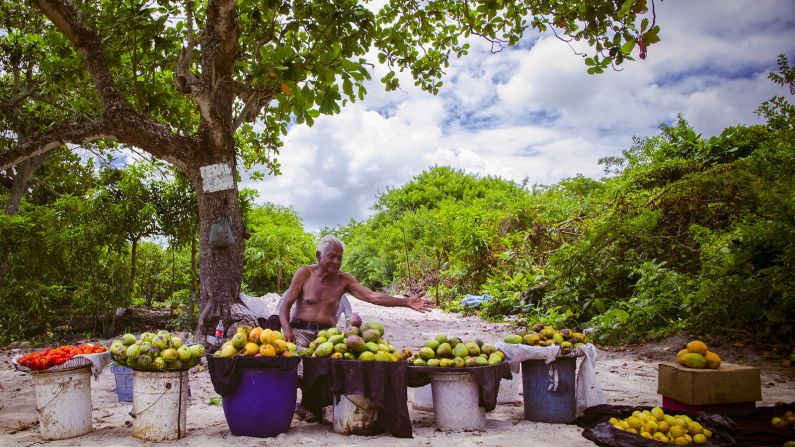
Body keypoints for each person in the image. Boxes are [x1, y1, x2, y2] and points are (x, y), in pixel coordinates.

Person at [279, 235, 432, 350]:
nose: (336, 262)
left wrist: (406, 302)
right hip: (299, 333)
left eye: (340, 258)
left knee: (327, 379)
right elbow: (285, 306)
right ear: (319, 256)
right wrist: (287, 330)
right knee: (297, 372)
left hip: (328, 337)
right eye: (331, 256)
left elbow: (372, 296)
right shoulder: (305, 273)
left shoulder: (344, 280)